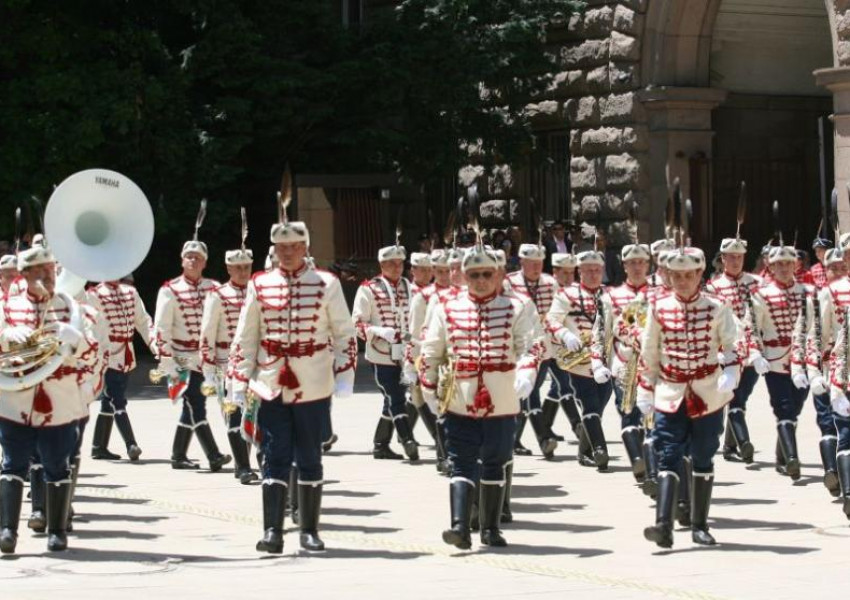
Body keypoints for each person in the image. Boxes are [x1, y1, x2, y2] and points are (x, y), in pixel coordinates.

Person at [230, 217, 356, 553]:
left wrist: (344, 375)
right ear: (274, 249)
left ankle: (309, 530)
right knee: (273, 454)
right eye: (281, 247)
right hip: (270, 381)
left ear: (306, 248)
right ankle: (273, 531)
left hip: (313, 382)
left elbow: (344, 333)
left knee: (310, 455)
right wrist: (239, 379)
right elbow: (246, 336)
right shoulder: (260, 283)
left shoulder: (326, 283)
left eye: (294, 246)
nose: (287, 252)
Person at [419, 243, 540, 549]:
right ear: (464, 275)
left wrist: (527, 371)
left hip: (502, 397)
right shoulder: (445, 307)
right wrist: (429, 389)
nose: (481, 280)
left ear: (498, 274)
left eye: (487, 273)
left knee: (495, 462)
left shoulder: (518, 307)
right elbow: (431, 352)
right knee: (461, 462)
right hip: (460, 397)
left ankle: (490, 528)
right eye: (474, 275)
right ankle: (459, 527)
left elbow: (530, 345)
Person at [0, 245, 102, 553]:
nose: (49, 276)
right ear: (26, 275)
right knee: (12, 463)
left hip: (59, 398)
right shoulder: (7, 306)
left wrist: (76, 338)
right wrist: (6, 336)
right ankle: (7, 530)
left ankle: (57, 530)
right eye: (40, 271)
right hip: (16, 398)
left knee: (57, 463)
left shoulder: (71, 308)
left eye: (51, 270)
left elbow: (93, 355)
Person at [638, 246, 739, 548]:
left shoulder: (717, 307)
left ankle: (699, 525)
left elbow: (733, 345)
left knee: (704, 454)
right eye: (676, 275)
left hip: (708, 392)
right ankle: (663, 525)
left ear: (699, 274)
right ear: (668, 276)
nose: (682, 281)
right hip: (670, 392)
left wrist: (731, 372)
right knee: (667, 453)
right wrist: (645, 388)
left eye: (688, 275)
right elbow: (650, 352)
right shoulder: (659, 308)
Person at [153, 229, 232, 472]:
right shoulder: (170, 289)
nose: (192, 260)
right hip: (181, 357)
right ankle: (213, 454)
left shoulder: (215, 288)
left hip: (207, 358)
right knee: (196, 404)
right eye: (188, 256)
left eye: (197, 257)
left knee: (192, 406)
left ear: (205, 262)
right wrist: (166, 359)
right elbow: (161, 327)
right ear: (181, 260)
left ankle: (178, 455)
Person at [750, 245, 812, 481]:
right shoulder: (761, 294)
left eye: (788, 263)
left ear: (795, 265)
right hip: (775, 359)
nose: (784, 268)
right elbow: (752, 326)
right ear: (771, 267)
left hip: (804, 359)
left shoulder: (808, 292)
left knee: (795, 408)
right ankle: (792, 458)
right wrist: (756, 354)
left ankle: (781, 455)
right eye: (779, 264)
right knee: (783, 406)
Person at [591, 242, 651, 483]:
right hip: (624, 363)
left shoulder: (659, 295)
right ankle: (638, 460)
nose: (637, 267)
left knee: (651, 417)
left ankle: (650, 464)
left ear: (648, 264)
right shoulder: (611, 298)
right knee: (628, 411)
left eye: (641, 262)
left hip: (654, 366)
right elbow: (600, 332)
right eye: (632, 263)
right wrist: (597, 362)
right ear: (624, 266)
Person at [546, 250, 612, 469]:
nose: (593, 275)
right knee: (589, 403)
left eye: (597, 270)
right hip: (578, 362)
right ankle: (600, 450)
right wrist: (565, 334)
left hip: (605, 362)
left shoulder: (609, 295)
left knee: (598, 407)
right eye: (588, 271)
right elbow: (551, 320)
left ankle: (583, 451)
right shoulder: (566, 295)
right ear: (579, 271)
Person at [352, 244, 418, 461]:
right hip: (381, 353)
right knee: (396, 395)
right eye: (392, 263)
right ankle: (407, 439)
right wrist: (377, 330)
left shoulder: (411, 287)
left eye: (400, 263)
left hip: (408, 353)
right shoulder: (368, 289)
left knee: (392, 399)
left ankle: (380, 445)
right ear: (382, 265)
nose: (397, 267)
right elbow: (356, 324)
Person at [200, 244, 259, 485]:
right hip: (226, 363)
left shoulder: (258, 293)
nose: (243, 272)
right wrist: (209, 372)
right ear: (228, 268)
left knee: (252, 413)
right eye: (238, 268)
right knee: (233, 414)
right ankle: (243, 466)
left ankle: (242, 461)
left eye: (246, 267)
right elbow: (206, 334)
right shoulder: (218, 295)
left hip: (254, 363)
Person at [705, 237, 761, 464]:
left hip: (753, 349)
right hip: (727, 349)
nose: (736, 261)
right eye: (731, 257)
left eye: (739, 257)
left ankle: (729, 446)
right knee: (735, 397)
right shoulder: (714, 286)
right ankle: (743, 441)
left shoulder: (756, 283)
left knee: (742, 394)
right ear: (723, 259)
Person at [85, 276, 153, 461]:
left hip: (125, 353)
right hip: (106, 355)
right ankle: (131, 443)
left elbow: (143, 321)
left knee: (109, 400)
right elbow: (90, 326)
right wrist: (98, 354)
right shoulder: (93, 294)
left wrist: (155, 345)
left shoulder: (131, 292)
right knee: (117, 399)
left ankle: (99, 447)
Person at [505, 244, 559, 458]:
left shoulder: (550, 283)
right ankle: (544, 437)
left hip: (543, 346)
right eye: (531, 263)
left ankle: (513, 439)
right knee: (531, 393)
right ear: (522, 263)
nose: (536, 267)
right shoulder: (509, 282)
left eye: (539, 263)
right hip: (519, 347)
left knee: (527, 392)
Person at [404, 249, 452, 473]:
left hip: (454, 359)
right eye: (440, 271)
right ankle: (443, 454)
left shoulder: (460, 293)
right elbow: (414, 333)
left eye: (448, 271)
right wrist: (411, 365)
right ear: (433, 271)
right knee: (435, 406)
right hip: (430, 356)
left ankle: (448, 452)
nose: (444, 275)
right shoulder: (425, 297)